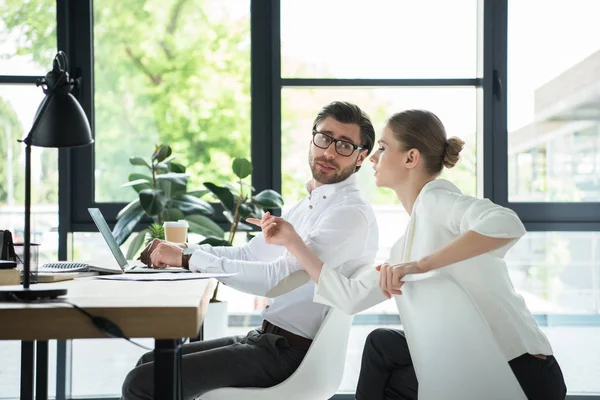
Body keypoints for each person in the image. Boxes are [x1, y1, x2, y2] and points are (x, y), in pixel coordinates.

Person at [248, 109, 567, 400]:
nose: (372, 158)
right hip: (479, 359)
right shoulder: (406, 243)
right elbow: (349, 298)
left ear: (411, 158)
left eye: (383, 148)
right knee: (382, 346)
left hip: (522, 373)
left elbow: (506, 223)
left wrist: (421, 265)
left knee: (388, 361)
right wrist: (293, 243)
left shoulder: (438, 201)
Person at [120, 101, 380, 400]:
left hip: (289, 356)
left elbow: (276, 279)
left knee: (143, 382)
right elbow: (250, 256)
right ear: (312, 138)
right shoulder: (314, 202)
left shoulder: (348, 213)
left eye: (344, 145)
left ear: (361, 157)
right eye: (324, 138)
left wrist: (188, 259)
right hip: (267, 340)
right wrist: (185, 248)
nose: (329, 152)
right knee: (149, 364)